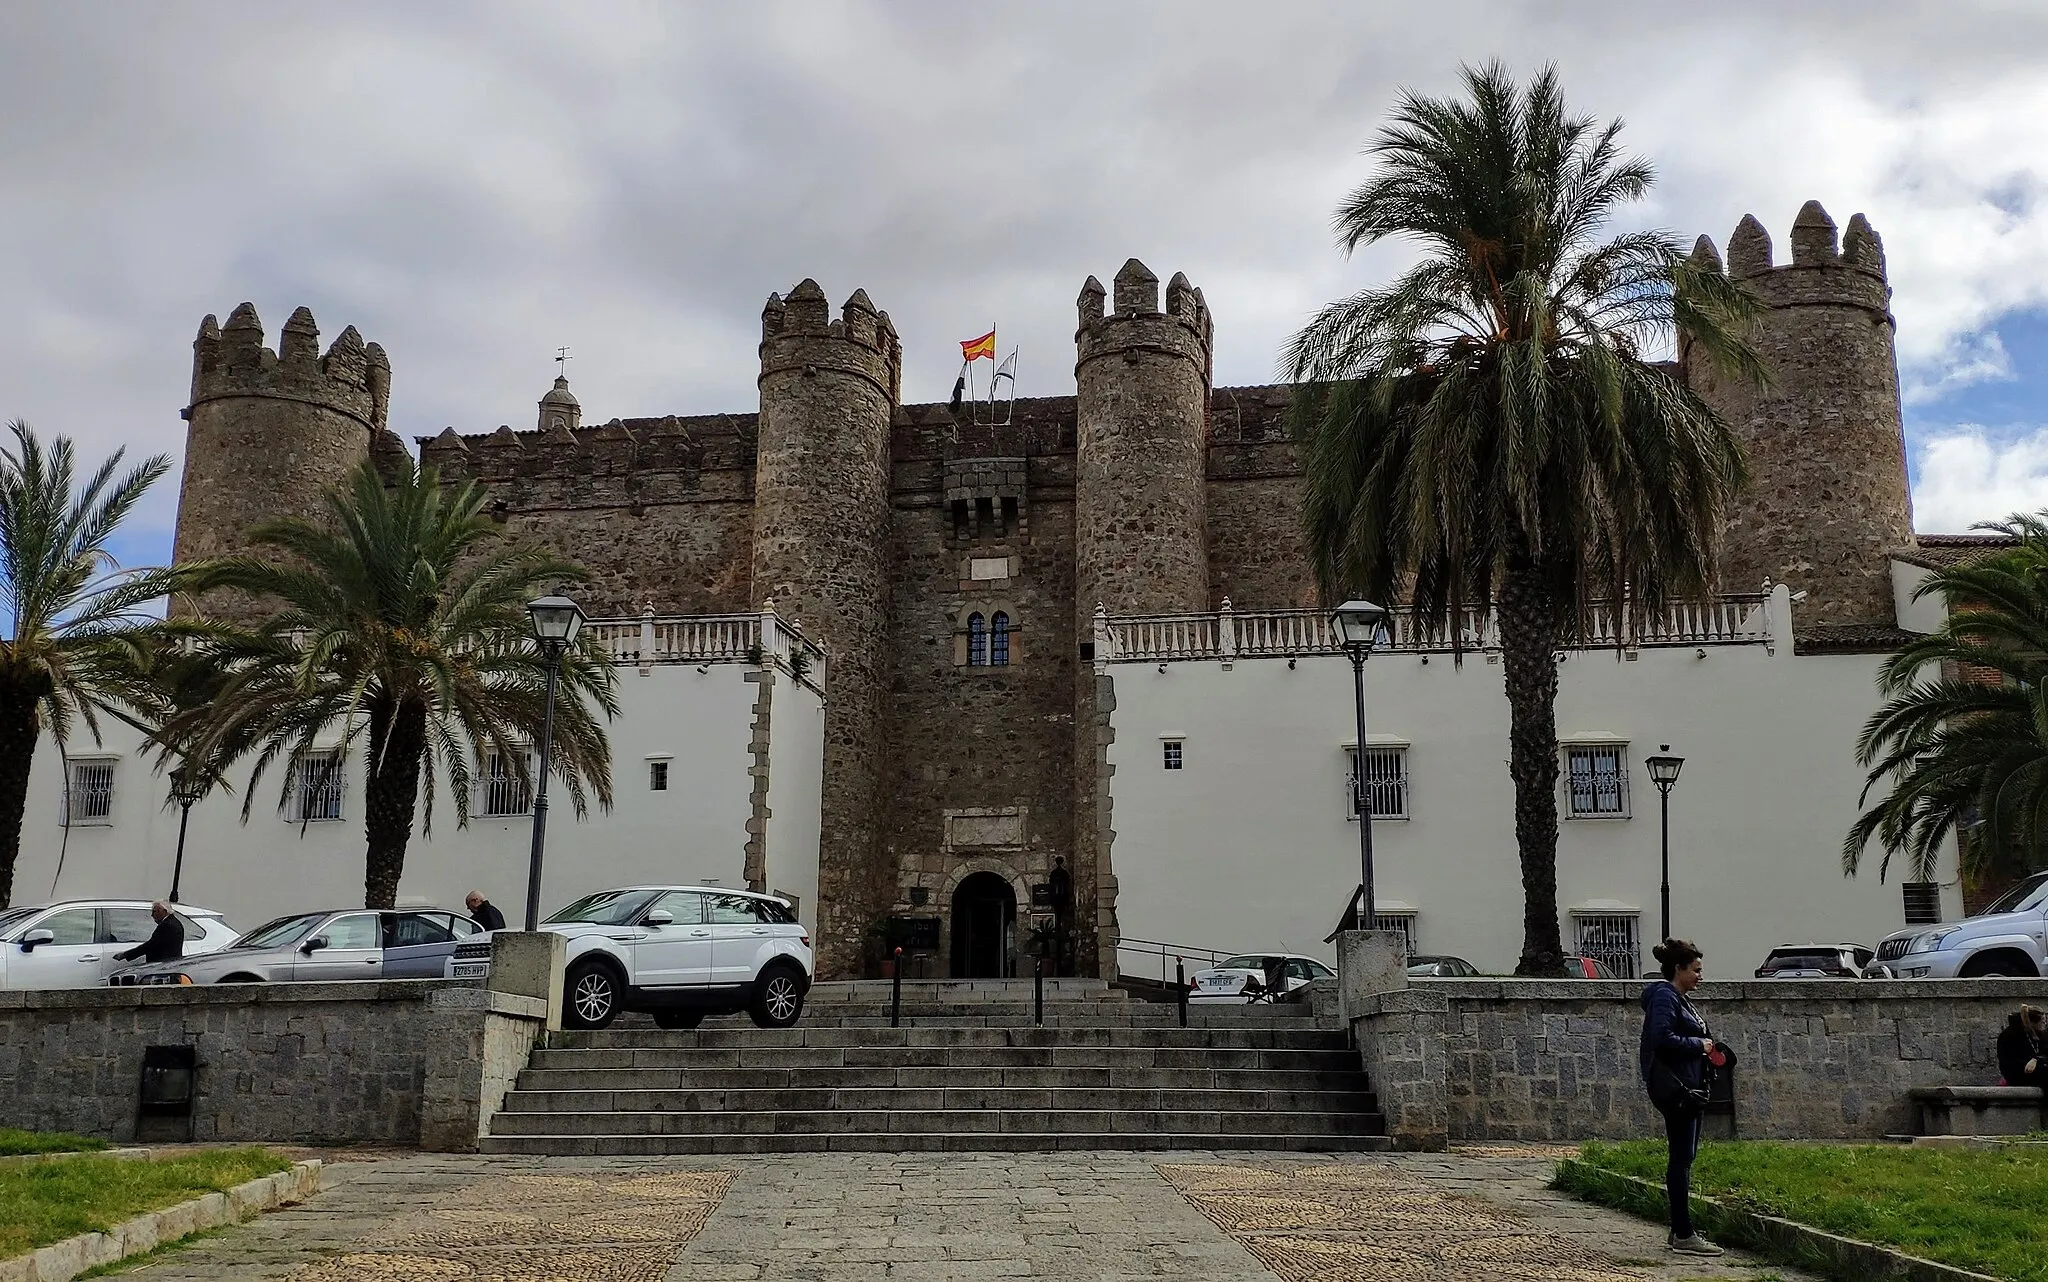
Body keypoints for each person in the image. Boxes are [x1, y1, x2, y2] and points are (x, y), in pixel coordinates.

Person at [1639, 937, 1723, 1257]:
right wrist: (1699, 1046)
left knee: (1684, 1157)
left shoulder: (1679, 999)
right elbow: (1661, 1038)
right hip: (1678, 1090)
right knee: (1680, 1159)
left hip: (1689, 1087)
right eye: (1696, 970)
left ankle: (1679, 1230)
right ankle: (1684, 1232)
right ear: (1679, 969)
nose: (1700, 975)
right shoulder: (1665, 996)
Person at [115, 902, 185, 965]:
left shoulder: (167, 925)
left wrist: (125, 955)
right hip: (169, 963)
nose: (152, 915)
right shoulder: (173, 922)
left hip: (163, 964)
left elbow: (151, 945)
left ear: (164, 911)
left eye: (154, 911)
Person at [1998, 1004, 2047, 1089]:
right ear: (2032, 1023)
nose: (2045, 1024)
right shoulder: (2011, 1035)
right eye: (2043, 1021)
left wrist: (2037, 1059)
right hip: (2019, 1074)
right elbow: (2010, 1063)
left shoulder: (2040, 1034)